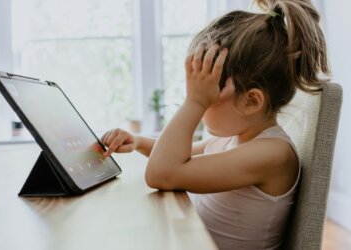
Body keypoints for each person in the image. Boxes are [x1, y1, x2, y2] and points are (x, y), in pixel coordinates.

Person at [101, 0, 329, 249]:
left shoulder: (273, 154)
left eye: (207, 93)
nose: (198, 104)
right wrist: (137, 142)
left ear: (251, 101)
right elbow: (178, 156)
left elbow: (162, 173)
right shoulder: (233, 139)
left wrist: (194, 102)